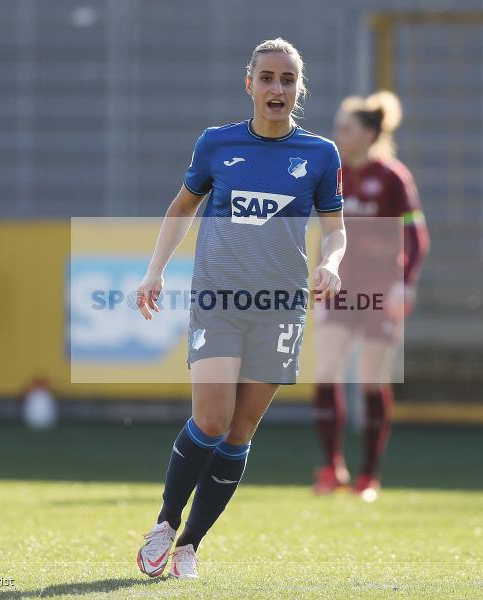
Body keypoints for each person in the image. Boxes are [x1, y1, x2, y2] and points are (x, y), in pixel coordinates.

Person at [134, 38, 346, 579]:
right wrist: (154, 270)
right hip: (218, 300)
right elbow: (182, 206)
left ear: (299, 89)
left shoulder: (320, 154)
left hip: (279, 309)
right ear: (247, 83)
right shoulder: (216, 144)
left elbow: (335, 227)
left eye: (288, 80)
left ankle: (189, 547)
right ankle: (164, 521)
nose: (277, 89)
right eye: (268, 78)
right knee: (210, 418)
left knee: (239, 431)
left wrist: (333, 262)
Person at [311, 91, 429, 501]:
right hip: (341, 288)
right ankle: (331, 468)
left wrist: (405, 281)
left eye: (346, 129)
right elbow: (325, 232)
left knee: (370, 378)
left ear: (369, 134)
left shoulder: (393, 177)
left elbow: (417, 235)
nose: (338, 135)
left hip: (380, 290)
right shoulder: (335, 174)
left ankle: (368, 477)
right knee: (326, 370)